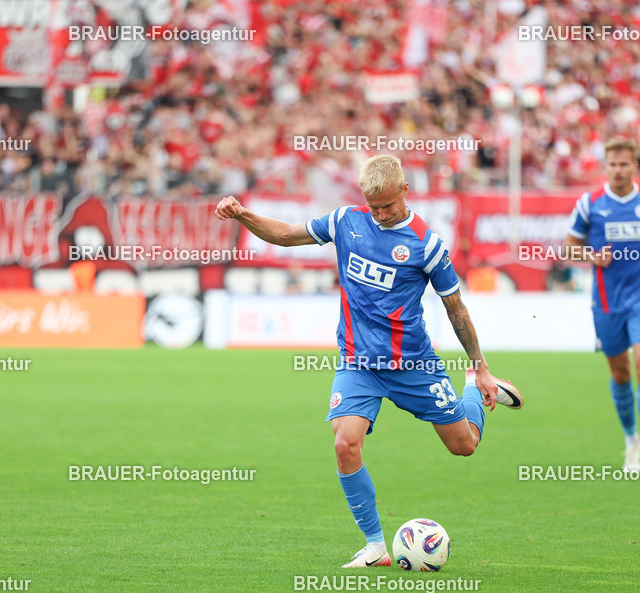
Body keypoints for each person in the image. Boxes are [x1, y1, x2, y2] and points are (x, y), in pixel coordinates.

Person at [216, 154, 523, 568]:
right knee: (345, 444)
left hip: (413, 365)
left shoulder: (427, 245)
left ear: (405, 192)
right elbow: (287, 234)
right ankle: (376, 544)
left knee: (464, 446)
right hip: (357, 363)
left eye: (388, 206)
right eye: (373, 206)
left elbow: (456, 308)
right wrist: (242, 215)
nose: (380, 214)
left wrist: (478, 366)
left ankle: (472, 388)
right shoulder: (346, 220)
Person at [564, 138, 640, 472]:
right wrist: (591, 256)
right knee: (620, 373)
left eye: (624, 164)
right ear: (606, 166)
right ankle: (630, 443)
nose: (617, 169)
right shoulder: (590, 203)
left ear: (635, 166)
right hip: (606, 302)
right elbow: (568, 246)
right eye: (612, 164)